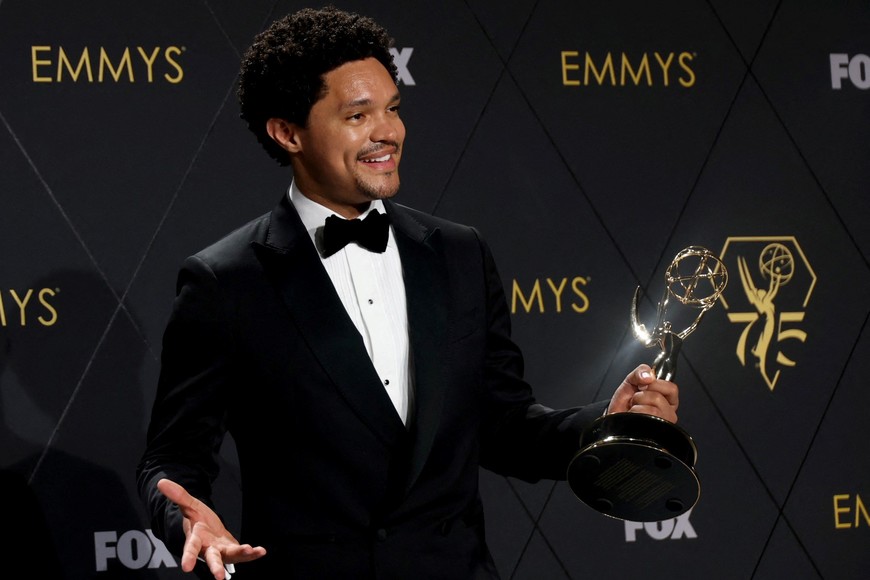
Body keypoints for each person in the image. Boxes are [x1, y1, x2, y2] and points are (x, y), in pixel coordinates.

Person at [136, 6, 680, 579]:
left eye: (392, 108)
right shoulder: (226, 282)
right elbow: (171, 459)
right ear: (287, 132)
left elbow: (502, 426)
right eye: (357, 114)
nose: (388, 131)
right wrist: (189, 523)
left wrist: (605, 425)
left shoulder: (458, 253)